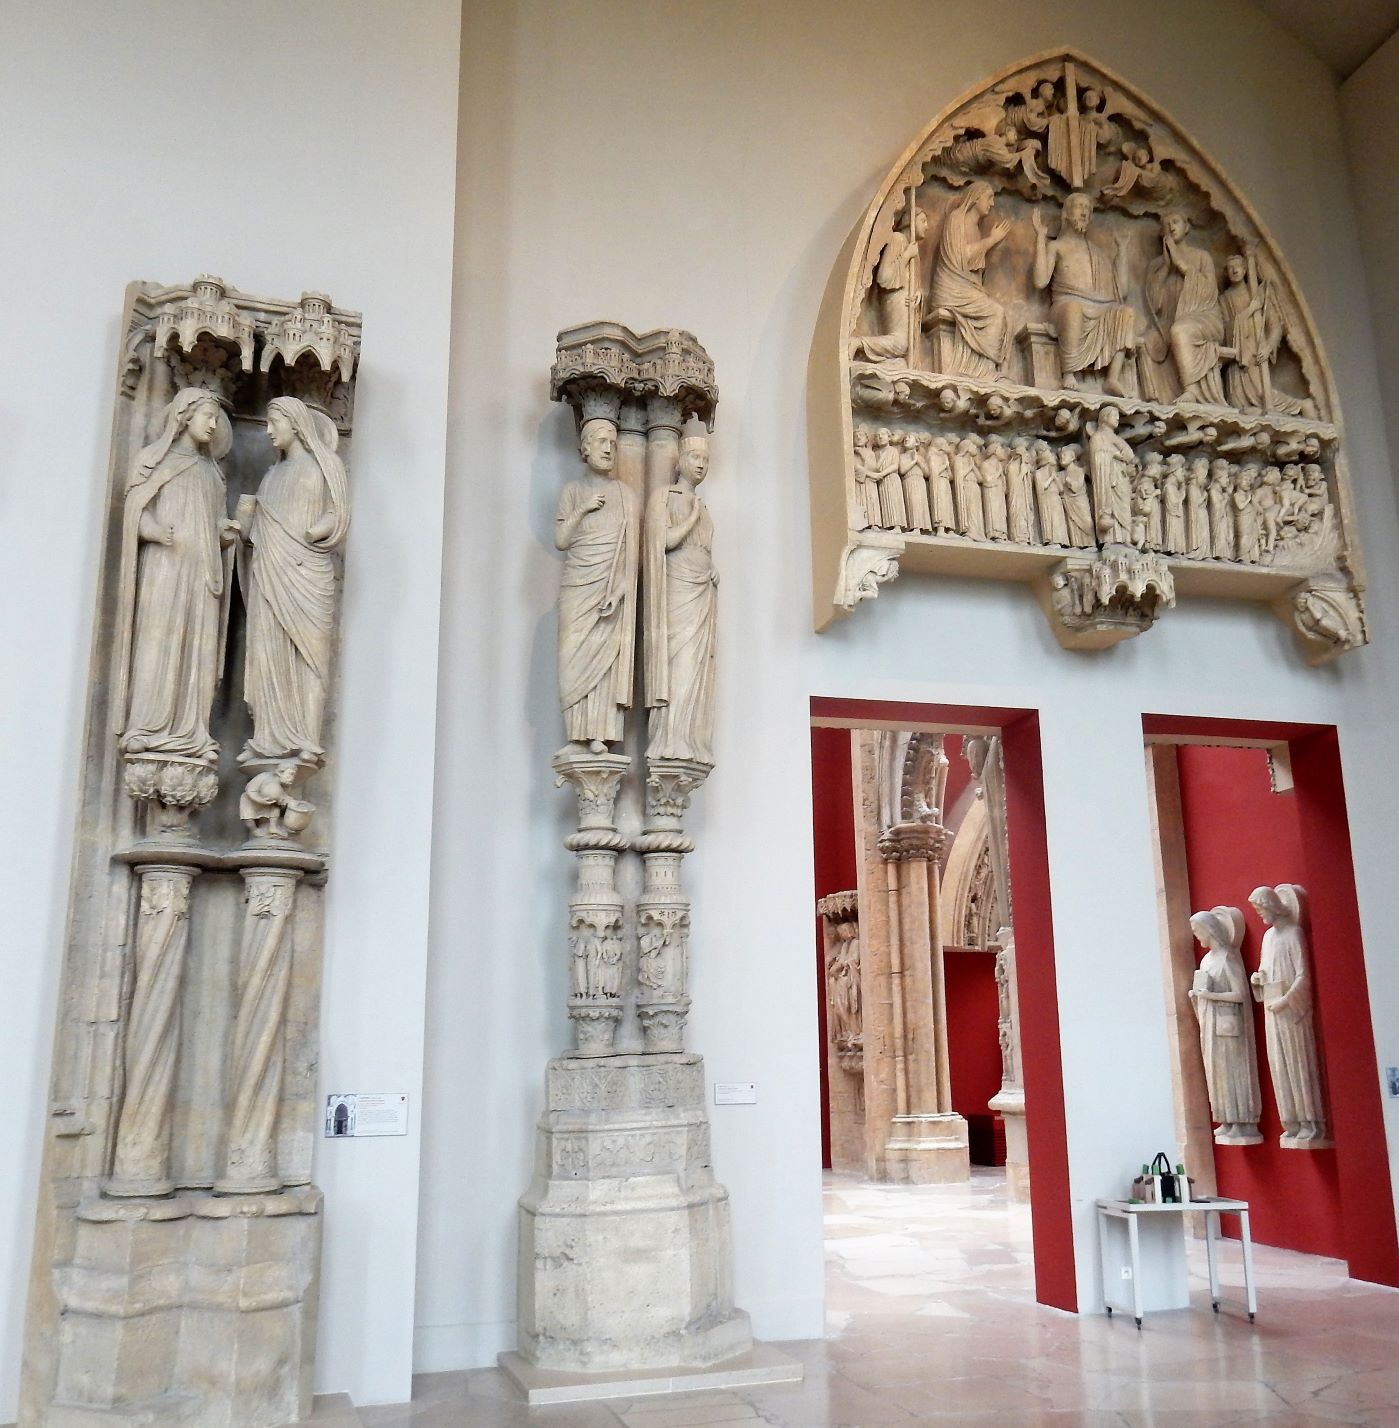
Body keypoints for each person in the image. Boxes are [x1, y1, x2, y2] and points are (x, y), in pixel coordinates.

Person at [115, 388, 236, 764]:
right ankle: (145, 727)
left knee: (198, 648)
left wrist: (225, 532)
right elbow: (136, 510)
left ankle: (192, 732)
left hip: (201, 574)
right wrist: (152, 529)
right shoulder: (155, 460)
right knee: (158, 642)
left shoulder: (212, 474)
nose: (213, 424)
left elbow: (215, 522)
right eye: (207, 416)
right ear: (185, 417)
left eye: (216, 418)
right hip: (165, 571)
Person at [241, 396, 351, 766]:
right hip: (270, 575)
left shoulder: (325, 466)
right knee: (268, 649)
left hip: (308, 572)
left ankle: (307, 738)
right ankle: (268, 738)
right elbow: (257, 533)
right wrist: (241, 527)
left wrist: (316, 530)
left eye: (275, 422)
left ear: (296, 422)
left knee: (312, 654)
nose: (269, 431)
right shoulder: (270, 476)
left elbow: (338, 514)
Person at [553, 417, 638, 752]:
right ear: (585, 447)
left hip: (609, 590)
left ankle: (600, 733)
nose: (608, 449)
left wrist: (619, 590)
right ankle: (577, 735)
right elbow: (561, 540)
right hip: (578, 587)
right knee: (571, 656)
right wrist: (583, 509)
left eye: (613, 444)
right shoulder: (572, 492)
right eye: (602, 442)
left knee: (605, 659)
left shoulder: (626, 495)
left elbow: (633, 554)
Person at [644, 434, 718, 765]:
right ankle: (669, 739)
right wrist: (690, 518)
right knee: (679, 663)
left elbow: (701, 549)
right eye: (695, 458)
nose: (701, 464)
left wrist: (711, 570)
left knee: (697, 666)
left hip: (701, 591)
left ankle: (689, 738)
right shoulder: (665, 497)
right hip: (677, 589)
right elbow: (664, 541)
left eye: (706, 459)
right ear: (681, 461)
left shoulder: (705, 508)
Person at [1031, 191, 1136, 396]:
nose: (1084, 212)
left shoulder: (1098, 253)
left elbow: (1122, 291)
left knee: (1126, 312)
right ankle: (1068, 373)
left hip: (1100, 306)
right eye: (1079, 206)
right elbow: (1040, 281)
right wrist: (1041, 238)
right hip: (1065, 304)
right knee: (1073, 309)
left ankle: (1112, 378)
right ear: (1066, 214)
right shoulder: (1057, 246)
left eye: (1088, 208)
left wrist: (1122, 250)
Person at [1249, 885, 1330, 1146]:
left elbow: (1303, 976)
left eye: (1261, 909)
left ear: (1272, 905)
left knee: (1298, 1065)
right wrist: (1258, 979)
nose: (1260, 914)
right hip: (1273, 1012)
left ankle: (1310, 1123)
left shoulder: (1294, 934)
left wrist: (1286, 1001)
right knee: (1279, 1066)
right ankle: (1291, 1122)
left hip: (1292, 1013)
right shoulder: (1267, 938)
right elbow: (1265, 971)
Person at [1188, 906, 1262, 1144]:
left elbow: (1240, 995)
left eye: (1198, 931)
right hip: (1211, 1026)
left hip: (1229, 1028)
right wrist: (1196, 996)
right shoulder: (1206, 960)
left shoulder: (1227, 958)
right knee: (1217, 1073)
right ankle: (1226, 1120)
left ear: (1210, 930)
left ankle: (1241, 1121)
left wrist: (1210, 996)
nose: (1197, 937)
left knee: (1232, 1072)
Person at [1145, 212, 1231, 405]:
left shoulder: (1201, 257)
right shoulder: (1157, 265)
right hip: (1168, 321)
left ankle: (1190, 390)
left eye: (1175, 222)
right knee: (1149, 339)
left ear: (1187, 227)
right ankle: (1154, 399)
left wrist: (1181, 265)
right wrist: (1167, 267)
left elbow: (1209, 291)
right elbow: (1154, 303)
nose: (1171, 227)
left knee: (1180, 331)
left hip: (1204, 318)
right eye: (1166, 224)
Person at [928, 181, 1012, 379]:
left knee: (1005, 317)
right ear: (976, 197)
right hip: (950, 289)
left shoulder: (975, 227)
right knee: (996, 313)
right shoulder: (957, 219)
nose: (992, 204)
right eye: (989, 197)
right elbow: (963, 256)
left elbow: (974, 270)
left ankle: (988, 369)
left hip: (965, 288)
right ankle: (983, 371)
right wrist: (992, 240)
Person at [851, 200, 927, 362]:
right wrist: (906, 255)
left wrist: (918, 293)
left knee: (907, 347)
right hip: (895, 297)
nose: (927, 226)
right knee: (901, 343)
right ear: (911, 222)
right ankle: (858, 343)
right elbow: (884, 276)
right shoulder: (898, 239)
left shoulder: (913, 248)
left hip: (907, 301)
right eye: (923, 221)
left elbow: (915, 281)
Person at [1084, 405, 1135, 544]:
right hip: (1108, 479)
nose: (1118, 418)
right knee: (1112, 507)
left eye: (1118, 415)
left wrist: (1121, 454)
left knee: (1125, 507)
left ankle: (1125, 539)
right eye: (1114, 415)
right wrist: (1114, 453)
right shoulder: (1098, 437)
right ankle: (1111, 539)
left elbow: (1130, 455)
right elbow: (1096, 457)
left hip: (1121, 478)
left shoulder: (1116, 438)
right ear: (1105, 417)